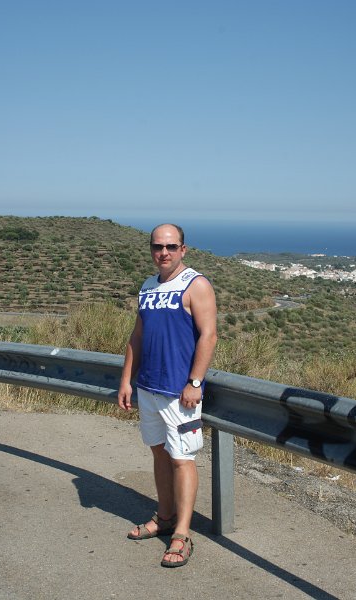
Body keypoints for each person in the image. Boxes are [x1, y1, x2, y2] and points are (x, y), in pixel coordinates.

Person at [118, 223, 217, 568]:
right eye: (158, 246)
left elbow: (209, 335)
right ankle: (164, 517)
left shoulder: (196, 284)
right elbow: (137, 336)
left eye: (171, 246)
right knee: (159, 453)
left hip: (179, 392)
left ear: (183, 249)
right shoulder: (148, 286)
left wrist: (195, 382)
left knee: (182, 458)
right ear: (151, 249)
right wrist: (127, 379)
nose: (164, 252)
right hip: (148, 387)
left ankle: (182, 534)